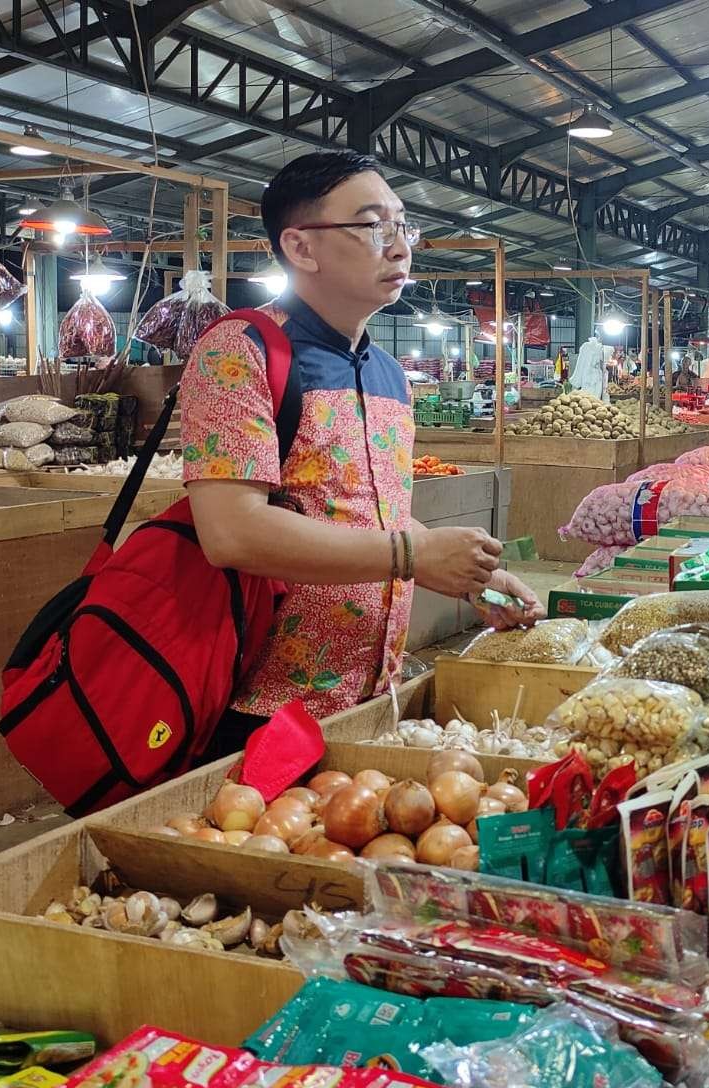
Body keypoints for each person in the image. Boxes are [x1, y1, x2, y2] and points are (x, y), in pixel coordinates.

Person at [178, 150, 544, 756]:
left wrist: (476, 581)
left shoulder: (389, 374)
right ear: (301, 248)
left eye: (403, 226)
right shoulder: (238, 351)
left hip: (373, 695)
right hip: (263, 703)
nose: (400, 247)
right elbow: (231, 532)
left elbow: (371, 512)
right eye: (374, 226)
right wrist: (411, 553)